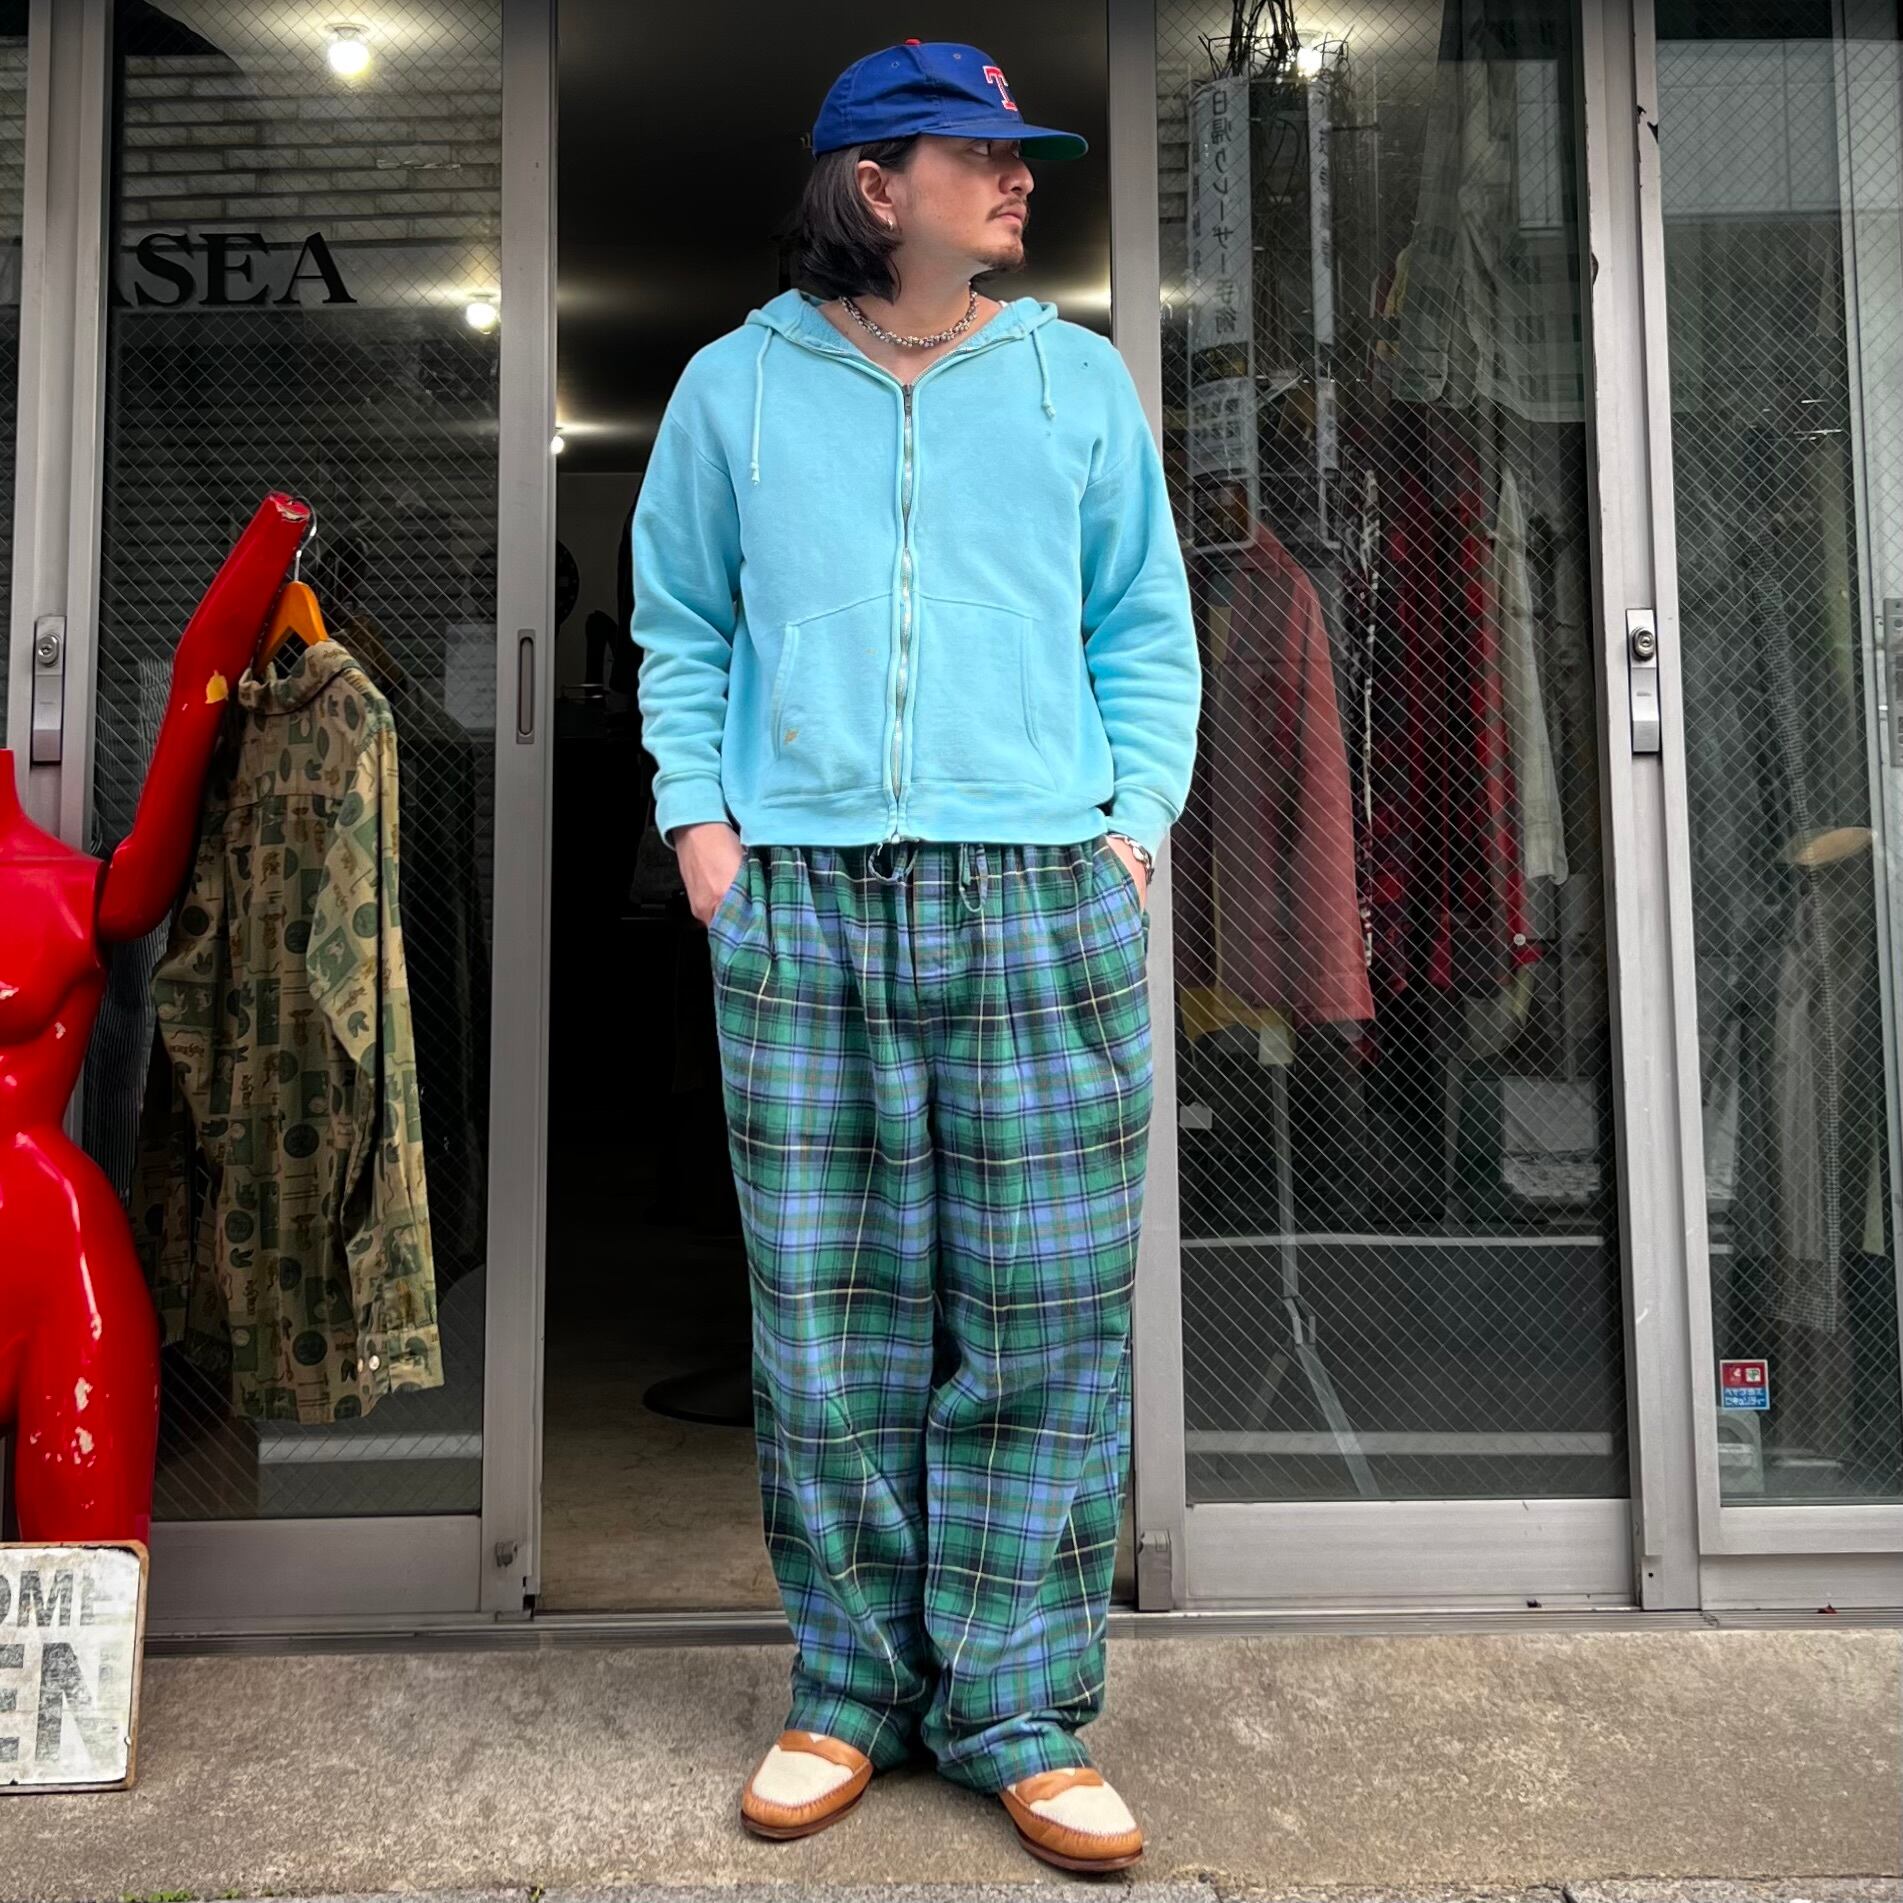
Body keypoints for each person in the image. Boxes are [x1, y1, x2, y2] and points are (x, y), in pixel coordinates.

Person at [630, 39, 1200, 1876]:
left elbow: (1144, 626)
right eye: (985, 153)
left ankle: (1019, 1710)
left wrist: (1128, 832)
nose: (1023, 179)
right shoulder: (733, 387)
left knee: (1044, 1312)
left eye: (1025, 156)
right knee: (828, 1318)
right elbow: (679, 624)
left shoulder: (1073, 379)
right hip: (802, 895)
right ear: (879, 186)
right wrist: (704, 830)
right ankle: (849, 1692)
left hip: (1039, 887)